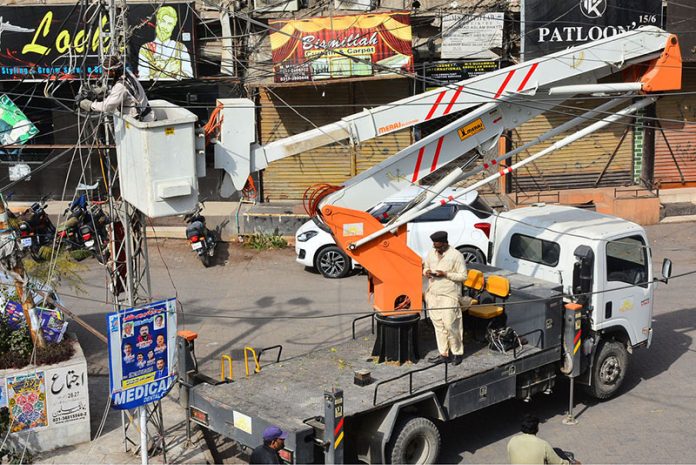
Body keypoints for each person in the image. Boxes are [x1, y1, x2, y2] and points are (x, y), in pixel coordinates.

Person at [423, 230, 467, 366]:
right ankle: (444, 354)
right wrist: (427, 272)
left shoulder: (456, 255)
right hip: (433, 294)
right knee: (439, 326)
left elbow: (463, 276)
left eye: (438, 246)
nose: (436, 249)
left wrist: (446, 274)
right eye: (434, 246)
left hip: (449, 295)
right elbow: (425, 267)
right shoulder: (431, 253)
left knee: (451, 325)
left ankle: (457, 352)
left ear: (444, 243)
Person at [78, 56, 154, 121]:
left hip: (142, 121)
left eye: (107, 71)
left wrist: (90, 105)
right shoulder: (127, 73)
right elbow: (126, 92)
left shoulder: (121, 86)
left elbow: (107, 106)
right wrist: (106, 91)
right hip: (146, 115)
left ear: (113, 71)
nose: (105, 73)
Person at [138, 6, 193, 80]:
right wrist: (168, 71)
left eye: (169, 24)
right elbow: (143, 77)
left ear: (173, 27)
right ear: (157, 23)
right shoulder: (145, 49)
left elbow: (188, 75)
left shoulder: (181, 48)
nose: (165, 27)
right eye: (163, 21)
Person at [507, 415, 572, 464]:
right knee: (558, 451)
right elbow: (559, 463)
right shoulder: (543, 444)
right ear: (537, 428)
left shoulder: (512, 440)